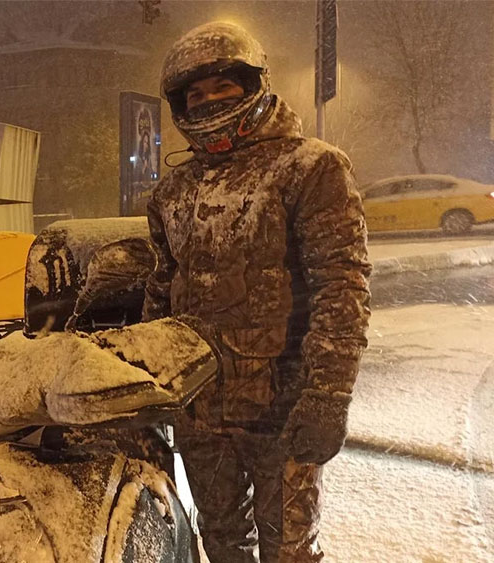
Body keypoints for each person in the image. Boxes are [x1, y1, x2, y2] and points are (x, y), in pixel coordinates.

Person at [142, 22, 371, 562]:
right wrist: (145, 383)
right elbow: (161, 291)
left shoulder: (310, 167)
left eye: (222, 86)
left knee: (289, 551)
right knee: (220, 543)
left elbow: (342, 288)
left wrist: (327, 396)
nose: (208, 101)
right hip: (200, 411)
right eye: (194, 94)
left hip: (282, 408)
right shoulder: (173, 190)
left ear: (251, 84)